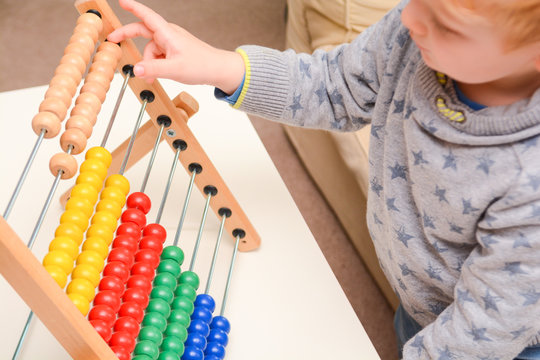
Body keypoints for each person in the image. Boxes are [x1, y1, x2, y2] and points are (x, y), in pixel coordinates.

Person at [108, 0, 540, 358]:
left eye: (445, 25)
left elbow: (483, 328)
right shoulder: (411, 32)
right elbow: (333, 85)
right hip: (422, 302)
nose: (409, 17)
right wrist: (218, 65)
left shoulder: (530, 181)